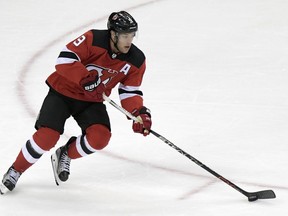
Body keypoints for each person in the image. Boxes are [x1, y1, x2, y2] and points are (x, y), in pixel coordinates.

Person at [0, 11, 152, 194]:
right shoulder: (93, 39)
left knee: (100, 138)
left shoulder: (136, 60)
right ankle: (16, 170)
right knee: (47, 137)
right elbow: (64, 59)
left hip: (91, 101)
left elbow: (129, 91)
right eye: (124, 36)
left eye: (132, 36)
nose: (129, 41)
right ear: (112, 34)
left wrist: (138, 113)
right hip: (62, 93)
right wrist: (85, 78)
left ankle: (65, 153)